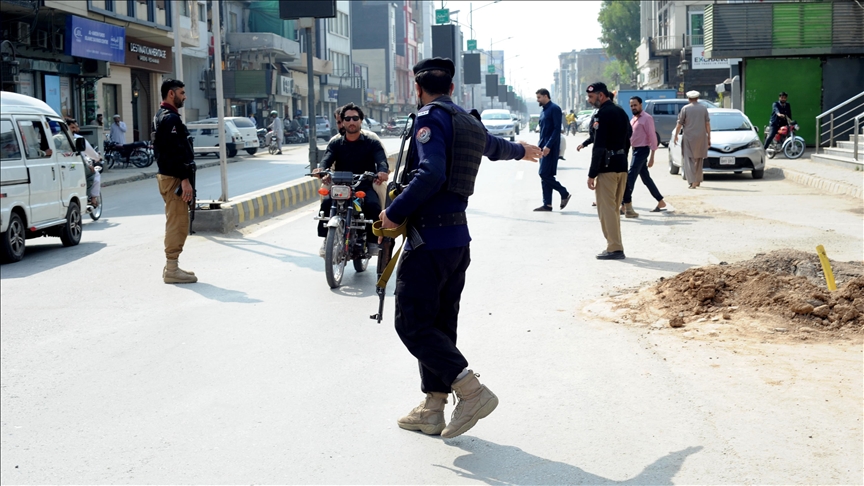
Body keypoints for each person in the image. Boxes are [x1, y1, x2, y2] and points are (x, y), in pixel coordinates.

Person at [378, 57, 542, 439]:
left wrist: (393, 211)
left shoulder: (429, 119)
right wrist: (524, 151)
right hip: (456, 242)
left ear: (418, 90)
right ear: (452, 88)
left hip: (428, 242)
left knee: (412, 324)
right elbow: (496, 147)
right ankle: (432, 408)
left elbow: (431, 171)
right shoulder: (467, 121)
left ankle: (470, 391)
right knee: (439, 325)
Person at [313, 103, 388, 257]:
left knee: (373, 205)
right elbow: (326, 159)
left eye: (355, 118)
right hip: (341, 185)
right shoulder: (335, 143)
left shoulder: (371, 142)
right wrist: (321, 169)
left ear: (361, 120)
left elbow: (381, 160)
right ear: (343, 121)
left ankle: (373, 241)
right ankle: (327, 239)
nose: (351, 122)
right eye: (347, 119)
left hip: (363, 185)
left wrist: (382, 171)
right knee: (326, 203)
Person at [152, 79, 197, 284]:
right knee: (177, 222)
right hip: (175, 179)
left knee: (176, 220)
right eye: (182, 92)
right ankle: (172, 267)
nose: (184, 96)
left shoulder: (161, 116)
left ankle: (171, 266)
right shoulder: (170, 120)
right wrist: (185, 180)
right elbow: (175, 153)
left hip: (169, 176)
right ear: (171, 94)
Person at [585, 82, 631, 260]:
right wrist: (623, 158)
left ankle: (614, 248)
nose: (589, 101)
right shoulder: (620, 111)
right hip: (621, 166)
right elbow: (629, 136)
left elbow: (599, 145)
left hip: (607, 168)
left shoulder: (602, 114)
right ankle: (616, 245)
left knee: (607, 210)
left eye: (591, 97)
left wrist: (592, 173)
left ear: (601, 96)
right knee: (614, 209)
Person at [621, 96, 666, 217]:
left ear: (640, 105)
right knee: (646, 178)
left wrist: (652, 156)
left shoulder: (647, 118)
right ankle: (660, 201)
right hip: (635, 150)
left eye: (635, 105)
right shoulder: (634, 118)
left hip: (642, 151)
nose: (633, 107)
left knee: (630, 177)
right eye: (631, 106)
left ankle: (624, 204)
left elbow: (652, 137)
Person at [534, 88, 571, 212]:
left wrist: (548, 146)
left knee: (544, 173)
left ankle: (564, 192)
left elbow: (556, 129)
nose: (537, 100)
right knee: (545, 176)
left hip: (550, 148)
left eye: (539, 97)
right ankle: (547, 204)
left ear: (546, 96)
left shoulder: (554, 109)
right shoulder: (543, 111)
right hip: (542, 146)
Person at [673, 91, 711, 189]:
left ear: (689, 99)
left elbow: (679, 123)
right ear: (697, 98)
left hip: (689, 137)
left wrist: (676, 135)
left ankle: (693, 181)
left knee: (689, 159)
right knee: (699, 159)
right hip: (701, 137)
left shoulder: (685, 109)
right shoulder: (703, 108)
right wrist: (709, 137)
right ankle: (698, 180)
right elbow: (707, 124)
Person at [66, 118, 101, 207]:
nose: (75, 129)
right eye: (72, 127)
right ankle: (92, 198)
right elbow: (91, 153)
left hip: (64, 167)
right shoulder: (79, 139)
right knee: (95, 174)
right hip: (76, 166)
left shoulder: (56, 138)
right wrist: (98, 158)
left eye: (76, 127)